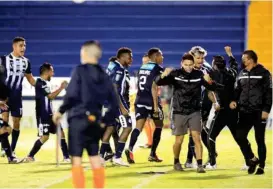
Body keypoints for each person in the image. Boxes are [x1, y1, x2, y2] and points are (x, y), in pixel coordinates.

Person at [53, 40, 119, 188]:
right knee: (94, 157)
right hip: (95, 121)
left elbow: (71, 95)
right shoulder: (104, 74)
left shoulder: (80, 71)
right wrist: (103, 120)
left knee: (76, 160)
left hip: (77, 120)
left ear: (85, 53)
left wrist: (60, 111)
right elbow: (114, 103)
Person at [155, 53, 222, 173]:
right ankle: (176, 161)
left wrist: (210, 81)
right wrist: (163, 75)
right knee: (179, 140)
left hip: (195, 111)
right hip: (179, 111)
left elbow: (213, 88)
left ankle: (200, 165)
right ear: (182, 64)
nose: (188, 67)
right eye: (186, 65)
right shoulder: (175, 74)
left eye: (190, 65)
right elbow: (158, 82)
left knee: (197, 138)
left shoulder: (199, 74)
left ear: (193, 64)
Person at [205, 46, 248, 169]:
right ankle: (248, 160)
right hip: (234, 111)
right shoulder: (232, 72)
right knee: (239, 137)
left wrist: (209, 82)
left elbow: (217, 87)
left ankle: (212, 163)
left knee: (211, 136)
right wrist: (230, 54)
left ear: (215, 66)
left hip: (223, 110)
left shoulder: (215, 75)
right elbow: (234, 64)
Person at [230, 50, 272, 175]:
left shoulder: (264, 73)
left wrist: (266, 109)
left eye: (245, 58)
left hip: (259, 111)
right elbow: (237, 90)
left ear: (251, 59)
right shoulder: (241, 73)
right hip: (244, 111)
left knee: (259, 139)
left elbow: (269, 93)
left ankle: (262, 167)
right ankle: (253, 159)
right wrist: (233, 100)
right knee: (239, 136)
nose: (243, 60)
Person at [23, 63, 70, 162]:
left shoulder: (45, 83)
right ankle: (30, 156)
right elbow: (50, 96)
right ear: (47, 71)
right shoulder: (40, 83)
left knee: (61, 133)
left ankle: (66, 157)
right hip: (43, 115)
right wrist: (61, 87)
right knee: (45, 137)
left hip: (50, 114)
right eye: (52, 71)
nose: (53, 73)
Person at [125, 48, 164, 164]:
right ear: (156, 56)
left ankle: (130, 148)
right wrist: (156, 107)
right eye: (161, 55)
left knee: (138, 127)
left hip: (140, 99)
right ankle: (152, 154)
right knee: (159, 126)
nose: (163, 58)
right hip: (151, 101)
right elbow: (154, 87)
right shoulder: (157, 68)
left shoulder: (143, 67)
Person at [0, 37, 36, 156]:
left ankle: (12, 148)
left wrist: (41, 86)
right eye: (21, 46)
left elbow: (30, 79)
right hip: (4, 97)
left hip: (16, 97)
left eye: (24, 46)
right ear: (14, 47)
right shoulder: (3, 60)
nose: (23, 48)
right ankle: (4, 149)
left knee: (16, 122)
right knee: (4, 121)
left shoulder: (26, 62)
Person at [100, 47, 133, 166]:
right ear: (122, 57)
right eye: (129, 57)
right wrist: (122, 107)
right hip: (116, 103)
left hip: (108, 103)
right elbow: (115, 88)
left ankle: (100, 157)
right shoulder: (119, 69)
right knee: (128, 126)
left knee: (110, 128)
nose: (131, 60)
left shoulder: (111, 66)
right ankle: (118, 156)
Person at [185, 46, 215, 168]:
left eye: (202, 58)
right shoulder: (186, 70)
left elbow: (210, 88)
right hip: (190, 105)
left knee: (195, 133)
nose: (201, 60)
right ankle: (209, 154)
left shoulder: (206, 70)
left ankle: (193, 160)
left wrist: (215, 102)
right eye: (198, 58)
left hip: (203, 105)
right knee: (196, 133)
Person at [140, 54, 155, 149]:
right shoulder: (143, 71)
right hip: (144, 99)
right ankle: (149, 141)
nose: (144, 64)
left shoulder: (153, 72)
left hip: (151, 99)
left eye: (146, 62)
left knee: (151, 121)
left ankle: (151, 142)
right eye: (143, 62)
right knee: (146, 122)